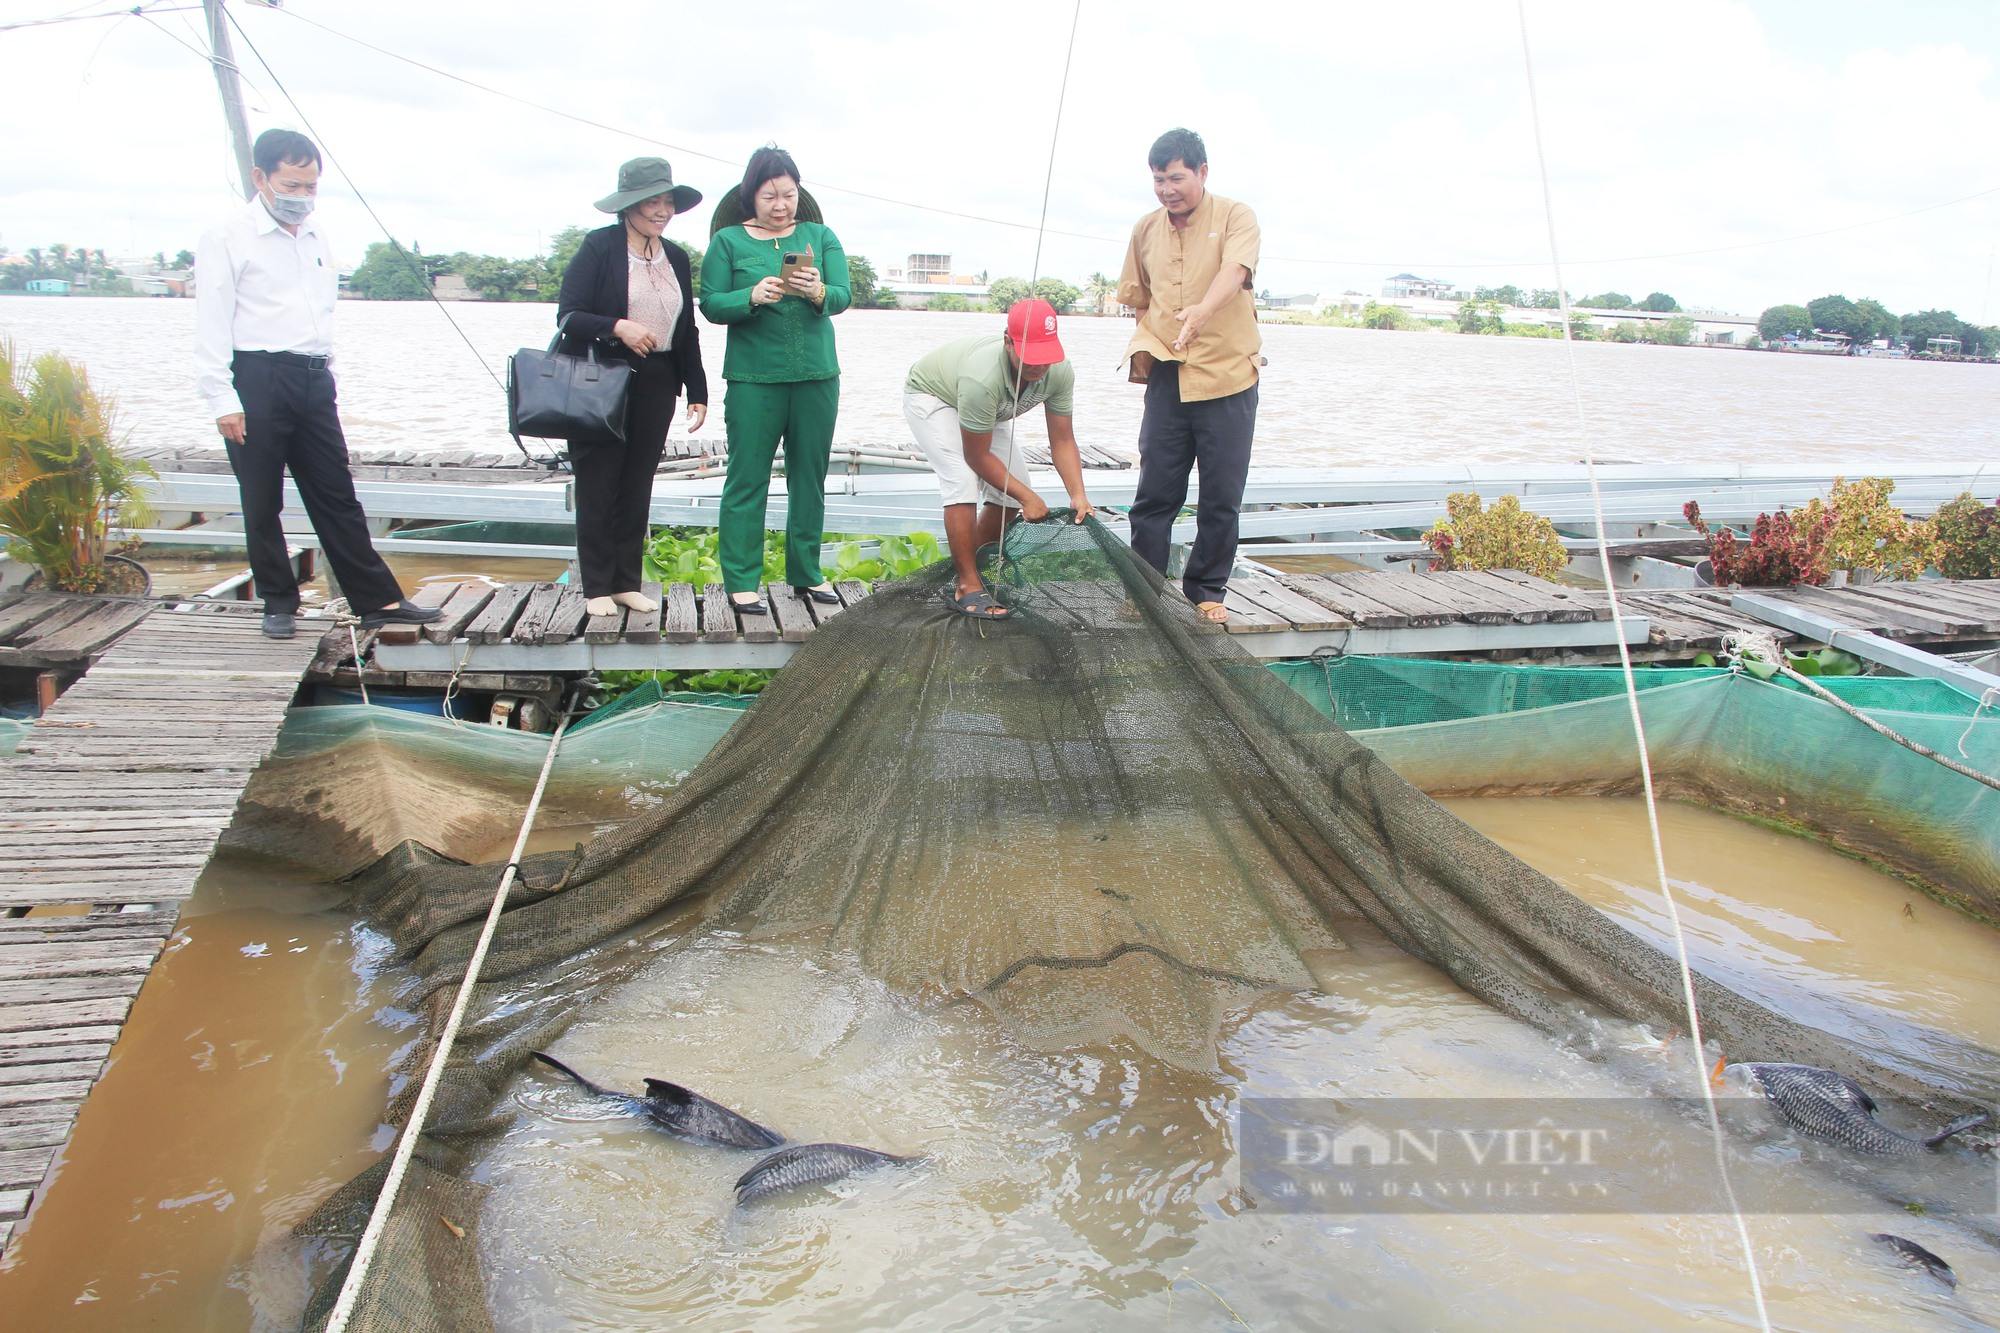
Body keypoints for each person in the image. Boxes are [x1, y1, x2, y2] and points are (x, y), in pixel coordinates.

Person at [193, 129, 441, 639]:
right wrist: (222, 397)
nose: (302, 197)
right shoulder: (228, 235)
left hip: (312, 376)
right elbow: (211, 320)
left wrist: (326, 373)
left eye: (310, 187)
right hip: (257, 376)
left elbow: (319, 312)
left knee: (336, 493)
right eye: (292, 184)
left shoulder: (315, 234)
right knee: (262, 497)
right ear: (261, 177)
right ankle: (278, 603)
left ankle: (378, 601)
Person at [1117, 127, 1262, 625]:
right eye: (1158, 180)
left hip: (1228, 374)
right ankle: (1145, 592)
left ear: (1202, 172)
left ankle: (1206, 590)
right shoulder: (1145, 228)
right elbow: (1137, 299)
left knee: (1221, 494)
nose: (1167, 189)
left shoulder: (1236, 216)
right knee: (1155, 491)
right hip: (1168, 375)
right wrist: (1155, 341)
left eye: (1176, 177)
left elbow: (1236, 272)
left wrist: (1201, 312)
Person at [556, 157, 709, 618]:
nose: (662, 211)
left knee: (637, 482)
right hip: (601, 377)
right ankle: (596, 586)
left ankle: (626, 581)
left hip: (658, 379)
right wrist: (618, 326)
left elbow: (686, 330)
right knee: (598, 482)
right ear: (628, 206)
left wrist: (697, 389)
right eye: (651, 202)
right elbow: (569, 314)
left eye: (667, 202)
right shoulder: (599, 247)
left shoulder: (677, 257)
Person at [699, 146, 849, 615]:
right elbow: (710, 304)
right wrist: (752, 294)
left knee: (811, 476)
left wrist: (819, 290)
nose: (780, 204)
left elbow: (844, 295)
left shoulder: (820, 236)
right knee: (748, 479)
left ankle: (805, 573)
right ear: (751, 196)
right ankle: (741, 581)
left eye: (788, 194)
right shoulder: (726, 242)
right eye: (769, 195)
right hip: (753, 379)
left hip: (816, 376)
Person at [902, 300, 1097, 619]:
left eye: (1045, 356)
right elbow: (975, 455)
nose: (1039, 366)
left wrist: (1078, 494)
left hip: (988, 409)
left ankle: (972, 570)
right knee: (961, 479)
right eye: (1030, 357)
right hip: (934, 396)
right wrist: (1027, 497)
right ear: (1008, 342)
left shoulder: (1060, 372)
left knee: (1009, 492)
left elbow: (1062, 439)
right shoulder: (983, 377)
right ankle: (966, 585)